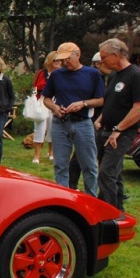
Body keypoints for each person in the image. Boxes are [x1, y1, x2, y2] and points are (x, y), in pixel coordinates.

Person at [42, 42, 105, 197]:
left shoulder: (92, 74)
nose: (64, 63)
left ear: (77, 54)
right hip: (60, 123)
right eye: (61, 60)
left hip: (82, 123)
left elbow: (100, 100)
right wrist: (55, 108)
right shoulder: (57, 74)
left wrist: (83, 104)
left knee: (89, 164)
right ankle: (63, 197)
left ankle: (92, 198)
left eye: (67, 59)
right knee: (60, 164)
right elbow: (46, 98)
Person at [94, 39, 140, 210]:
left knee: (106, 173)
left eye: (104, 57)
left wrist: (119, 129)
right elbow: (111, 102)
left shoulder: (137, 76)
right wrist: (100, 118)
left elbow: (139, 108)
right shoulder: (114, 76)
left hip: (122, 133)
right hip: (105, 130)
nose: (101, 61)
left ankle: (107, 213)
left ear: (116, 55)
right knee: (114, 175)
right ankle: (118, 212)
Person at [69, 52, 110, 188]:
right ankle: (72, 185)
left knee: (104, 158)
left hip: (104, 121)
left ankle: (113, 190)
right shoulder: (89, 77)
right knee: (82, 156)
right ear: (98, 63)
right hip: (89, 119)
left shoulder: (111, 78)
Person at [31, 51, 61, 164]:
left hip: (55, 102)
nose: (58, 63)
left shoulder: (61, 73)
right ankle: (36, 155)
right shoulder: (41, 73)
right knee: (40, 128)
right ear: (50, 61)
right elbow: (36, 86)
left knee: (53, 128)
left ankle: (51, 153)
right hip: (42, 101)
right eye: (56, 60)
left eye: (59, 60)